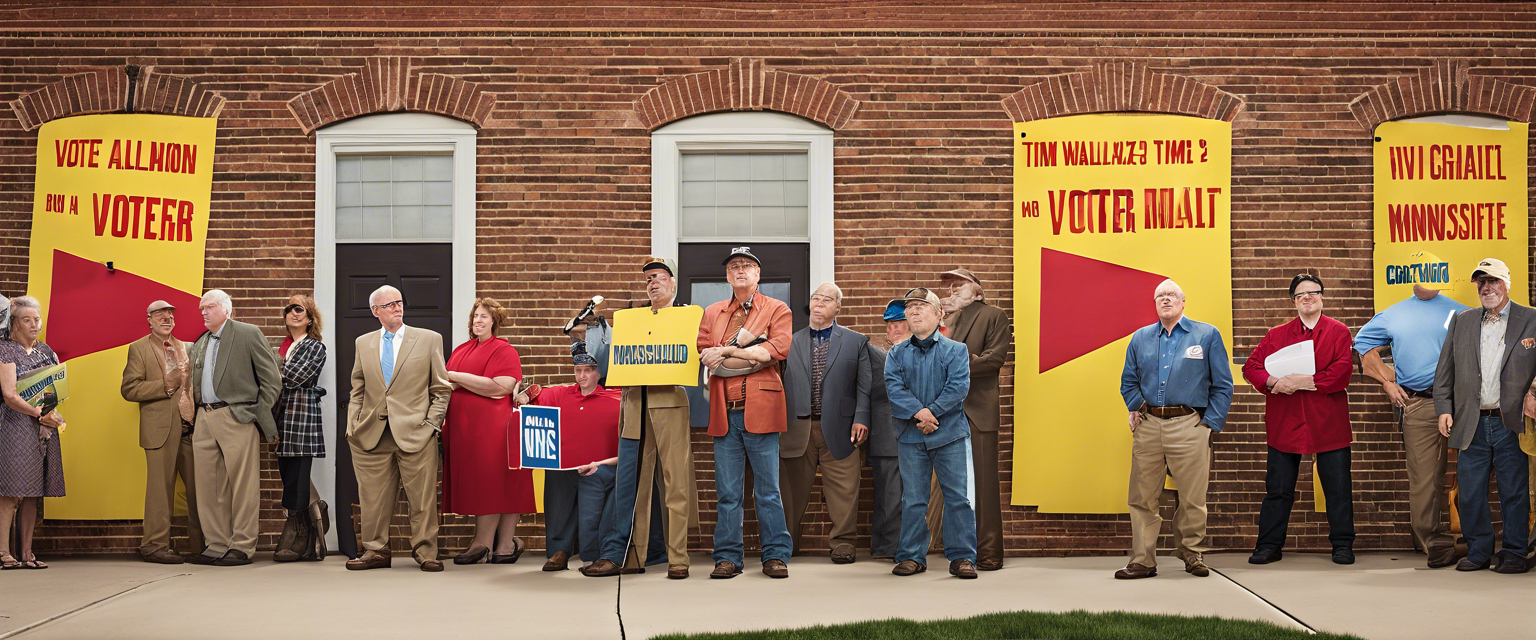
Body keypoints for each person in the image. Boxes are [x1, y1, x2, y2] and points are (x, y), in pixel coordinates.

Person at [585, 257, 697, 580]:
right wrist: (598, 333)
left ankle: (678, 558)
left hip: (670, 402)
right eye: (648, 279)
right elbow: (611, 365)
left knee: (675, 482)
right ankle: (632, 555)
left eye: (659, 277)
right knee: (631, 486)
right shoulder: (632, 322)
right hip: (635, 403)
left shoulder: (686, 317)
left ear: (673, 283)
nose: (653, 283)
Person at [1114, 280, 1233, 579]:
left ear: (1183, 302)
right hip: (1149, 425)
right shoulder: (1140, 338)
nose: (1166, 300)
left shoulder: (1206, 335)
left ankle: (1192, 553)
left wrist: (1209, 425)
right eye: (1160, 297)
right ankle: (1143, 560)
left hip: (1190, 424)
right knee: (1142, 497)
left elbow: (1222, 384)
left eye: (1171, 296)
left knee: (1192, 496)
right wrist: (1136, 406)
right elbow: (1128, 381)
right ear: (1155, 305)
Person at [1241, 274, 1355, 565]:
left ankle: (1342, 545)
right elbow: (1251, 367)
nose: (1308, 297)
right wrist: (1273, 382)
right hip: (1285, 421)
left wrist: (1309, 381)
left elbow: (1342, 372)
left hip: (1328, 421)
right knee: (1278, 490)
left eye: (1313, 292)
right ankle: (1269, 545)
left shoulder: (1339, 331)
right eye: (1301, 294)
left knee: (1337, 488)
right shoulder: (1275, 335)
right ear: (1293, 301)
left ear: (1322, 297)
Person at [698, 247, 794, 579]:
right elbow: (704, 353)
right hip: (724, 411)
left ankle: (776, 555)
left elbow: (777, 349)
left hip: (762, 409)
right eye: (735, 266)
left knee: (768, 490)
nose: (741, 270)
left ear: (758, 274)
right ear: (727, 276)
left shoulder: (777, 308)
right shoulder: (711, 312)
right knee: (727, 492)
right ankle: (727, 557)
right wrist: (750, 355)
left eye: (748, 266)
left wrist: (726, 351)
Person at [1356, 284, 1468, 568]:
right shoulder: (1393, 314)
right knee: (1424, 477)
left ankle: (1476, 539)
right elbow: (1363, 346)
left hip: (1465, 402)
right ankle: (1432, 543)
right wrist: (1387, 381)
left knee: (1475, 471)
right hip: (1420, 402)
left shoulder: (1462, 311)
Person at [1433, 258, 1533, 574]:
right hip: (1470, 421)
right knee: (1471, 490)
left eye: (1493, 281)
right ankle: (1478, 552)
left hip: (1511, 422)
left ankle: (1515, 553)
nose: (1487, 287)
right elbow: (1444, 371)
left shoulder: (1531, 319)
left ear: (1507, 283)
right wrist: (1444, 409)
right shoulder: (1462, 321)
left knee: (1514, 491)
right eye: (1481, 282)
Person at [346, 285, 451, 572]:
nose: (397, 307)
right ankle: (375, 551)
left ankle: (426, 552)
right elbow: (358, 388)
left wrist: (432, 424)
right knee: (373, 499)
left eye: (399, 302)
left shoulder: (429, 339)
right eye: (389, 304)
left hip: (417, 432)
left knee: (423, 499)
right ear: (375, 311)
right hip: (370, 434)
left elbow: (441, 388)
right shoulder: (363, 343)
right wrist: (352, 425)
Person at [886, 287, 975, 579]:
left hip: (949, 435)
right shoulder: (896, 354)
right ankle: (911, 557)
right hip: (911, 437)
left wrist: (931, 414)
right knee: (913, 498)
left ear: (940, 315)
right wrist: (921, 414)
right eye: (910, 307)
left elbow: (958, 388)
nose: (913, 310)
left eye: (921, 306)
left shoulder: (956, 350)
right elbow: (895, 389)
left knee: (957, 497)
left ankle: (962, 557)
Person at [188, 290, 282, 567]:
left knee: (243, 485)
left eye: (210, 306)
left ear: (226, 309)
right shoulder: (201, 341)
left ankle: (242, 545)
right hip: (203, 417)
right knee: (208, 486)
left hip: (236, 416)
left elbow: (272, 379)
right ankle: (216, 544)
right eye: (201, 308)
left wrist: (256, 412)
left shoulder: (247, 333)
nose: (204, 311)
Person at [780, 282, 871, 563]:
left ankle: (843, 544)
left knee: (844, 490)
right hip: (796, 429)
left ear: (838, 307)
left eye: (826, 299)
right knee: (791, 491)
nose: (819, 302)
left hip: (842, 429)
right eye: (815, 298)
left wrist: (861, 418)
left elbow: (864, 385)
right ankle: (785, 544)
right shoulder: (788, 342)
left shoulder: (856, 341)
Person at [442, 297, 534, 565]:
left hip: (495, 429)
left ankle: (488, 544)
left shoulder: (504, 351)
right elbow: (446, 383)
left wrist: (457, 377)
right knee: (489, 484)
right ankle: (504, 545)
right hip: (466, 429)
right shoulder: (461, 350)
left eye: (483, 316)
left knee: (497, 483)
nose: (477, 321)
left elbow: (500, 387)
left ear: (495, 321)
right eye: (475, 317)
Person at [934, 268, 1011, 571]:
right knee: (951, 486)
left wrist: (949, 356)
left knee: (984, 485)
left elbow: (994, 360)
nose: (951, 290)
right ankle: (960, 550)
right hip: (940, 413)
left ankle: (989, 552)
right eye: (948, 286)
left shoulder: (993, 315)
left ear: (977, 292)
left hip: (976, 411)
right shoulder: (938, 322)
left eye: (959, 285)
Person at [121, 299, 203, 564]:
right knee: (160, 490)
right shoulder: (138, 349)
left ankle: (201, 546)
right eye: (160, 314)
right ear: (149, 318)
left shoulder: (188, 347)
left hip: (191, 427)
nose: (166, 317)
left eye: (170, 313)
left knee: (198, 490)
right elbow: (129, 389)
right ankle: (154, 546)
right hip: (159, 429)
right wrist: (164, 385)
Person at [529, 341, 623, 571]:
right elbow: (534, 395)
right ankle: (559, 551)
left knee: (595, 480)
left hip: (602, 466)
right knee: (556, 476)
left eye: (588, 370)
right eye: (578, 370)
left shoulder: (617, 397)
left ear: (599, 372)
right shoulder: (562, 393)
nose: (582, 376)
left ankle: (597, 552)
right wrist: (523, 396)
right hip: (567, 466)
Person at [0, 296, 66, 570]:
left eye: (37, 319)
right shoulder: (5, 350)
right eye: (27, 319)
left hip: (43, 427)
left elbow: (55, 388)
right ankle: (4, 553)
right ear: (13, 323)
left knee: (32, 491)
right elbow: (9, 395)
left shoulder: (46, 351)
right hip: (14, 425)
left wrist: (52, 412)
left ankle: (27, 553)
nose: (34, 325)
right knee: (11, 491)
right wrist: (40, 413)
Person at [271, 294, 329, 562]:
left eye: (300, 310)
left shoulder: (315, 347)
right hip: (280, 420)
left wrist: (269, 373)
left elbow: (292, 378)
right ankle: (312, 526)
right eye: (290, 309)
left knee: (297, 477)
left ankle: (297, 537)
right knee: (289, 476)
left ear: (309, 318)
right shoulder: (282, 348)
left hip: (301, 420)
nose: (294, 313)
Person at [867, 300, 910, 560]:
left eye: (901, 323)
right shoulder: (875, 354)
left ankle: (907, 547)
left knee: (911, 498)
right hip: (887, 435)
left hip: (921, 436)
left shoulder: (924, 352)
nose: (895, 328)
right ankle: (887, 548)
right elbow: (875, 389)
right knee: (889, 497)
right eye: (891, 324)